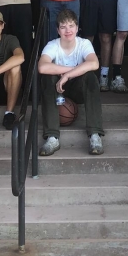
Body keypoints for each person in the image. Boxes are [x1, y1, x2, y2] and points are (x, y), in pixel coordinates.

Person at [37, 10, 105, 156]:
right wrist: (71, 70)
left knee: (91, 77)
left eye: (71, 26)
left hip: (78, 90)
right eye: (63, 27)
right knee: (47, 78)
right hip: (57, 90)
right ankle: (52, 137)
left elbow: (94, 63)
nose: (68, 30)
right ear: (57, 30)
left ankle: (95, 135)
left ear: (77, 27)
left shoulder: (84, 43)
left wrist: (67, 75)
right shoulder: (52, 45)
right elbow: (42, 67)